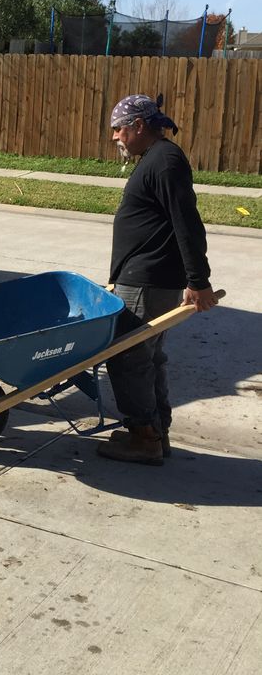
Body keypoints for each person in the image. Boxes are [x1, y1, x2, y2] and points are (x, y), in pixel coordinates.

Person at [98, 93, 217, 466]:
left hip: (148, 282)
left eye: (118, 129)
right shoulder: (157, 158)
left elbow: (187, 223)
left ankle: (144, 438)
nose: (115, 137)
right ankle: (155, 431)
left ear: (137, 126)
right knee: (149, 358)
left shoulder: (164, 161)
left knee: (128, 358)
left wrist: (198, 280)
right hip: (148, 279)